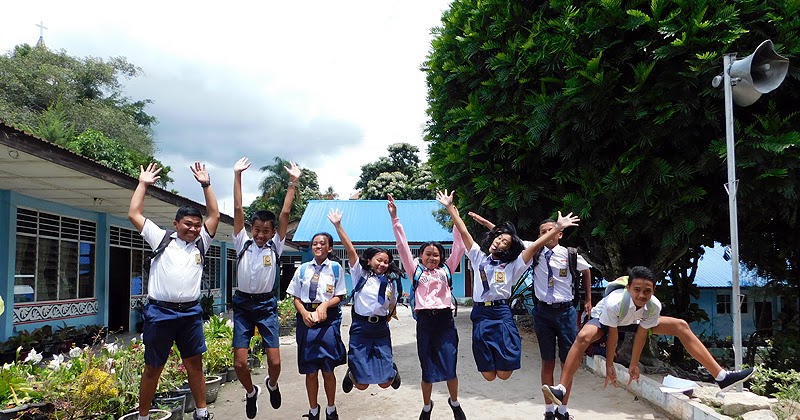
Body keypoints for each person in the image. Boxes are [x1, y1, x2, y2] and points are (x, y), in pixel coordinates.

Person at [541, 266, 756, 420]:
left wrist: (634, 364)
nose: (642, 295)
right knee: (582, 337)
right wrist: (609, 365)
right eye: (637, 290)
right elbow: (613, 335)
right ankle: (561, 387)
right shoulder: (615, 302)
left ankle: (721, 376)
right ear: (628, 289)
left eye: (648, 290)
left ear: (653, 290)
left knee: (680, 325)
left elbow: (641, 335)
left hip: (635, 321)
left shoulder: (653, 306)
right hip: (608, 322)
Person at [441, 192, 580, 382]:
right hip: (481, 314)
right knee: (489, 376)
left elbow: (533, 247)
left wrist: (557, 228)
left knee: (505, 374)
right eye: (498, 239)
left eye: (504, 242)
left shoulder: (514, 265)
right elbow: (464, 232)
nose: (499, 242)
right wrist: (450, 207)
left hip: (501, 312)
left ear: (509, 249)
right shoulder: (477, 257)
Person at [469, 213, 592, 420]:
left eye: (551, 231)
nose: (547, 235)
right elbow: (507, 240)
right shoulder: (534, 251)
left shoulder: (569, 254)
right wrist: (488, 226)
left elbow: (586, 269)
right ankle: (548, 411)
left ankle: (563, 410)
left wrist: (588, 299)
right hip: (543, 311)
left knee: (567, 360)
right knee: (547, 362)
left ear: (560, 234)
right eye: (542, 232)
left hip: (565, 311)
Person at [128, 162, 220, 420]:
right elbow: (134, 213)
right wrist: (143, 184)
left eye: (196, 225)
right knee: (152, 368)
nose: (193, 229)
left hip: (190, 314)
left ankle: (202, 412)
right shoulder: (161, 239)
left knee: (195, 365)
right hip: (160, 313)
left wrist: (206, 184)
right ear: (176, 223)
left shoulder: (201, 243)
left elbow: (214, 215)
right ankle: (143, 416)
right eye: (188, 224)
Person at [232, 157, 300, 418]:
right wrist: (237, 175)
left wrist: (292, 183)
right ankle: (251, 392)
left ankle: (271, 384)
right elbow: (238, 208)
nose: (260, 235)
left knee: (275, 361)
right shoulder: (242, 244)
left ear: (273, 233)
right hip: (242, 305)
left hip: (266, 306)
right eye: (257, 230)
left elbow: (284, 214)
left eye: (265, 231)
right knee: (239, 363)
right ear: (251, 229)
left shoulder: (276, 246)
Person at [389, 192, 467, 420]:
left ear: (442, 258)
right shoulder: (415, 270)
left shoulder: (447, 269)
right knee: (427, 368)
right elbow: (401, 245)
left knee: (450, 365)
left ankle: (454, 402)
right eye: (428, 254)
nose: (432, 258)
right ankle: (426, 406)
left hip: (445, 321)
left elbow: (459, 245)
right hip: (425, 322)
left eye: (436, 255)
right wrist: (395, 218)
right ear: (421, 255)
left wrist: (454, 215)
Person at [328, 208, 403, 393]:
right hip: (360, 328)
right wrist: (338, 225)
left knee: (385, 383)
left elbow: (392, 304)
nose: (382, 264)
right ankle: (352, 373)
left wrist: (388, 316)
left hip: (380, 330)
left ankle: (391, 369)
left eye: (386, 262)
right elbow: (350, 249)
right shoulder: (360, 274)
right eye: (379, 260)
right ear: (369, 260)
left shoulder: (391, 282)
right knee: (361, 386)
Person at [285, 232, 348, 420]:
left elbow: (340, 295)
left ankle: (331, 408)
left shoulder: (335, 269)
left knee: (328, 369)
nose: (318, 246)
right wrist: (304, 313)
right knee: (310, 370)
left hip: (328, 321)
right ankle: (313, 410)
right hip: (306, 321)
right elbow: (295, 296)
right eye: (314, 244)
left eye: (322, 243)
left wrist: (325, 305)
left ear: (329, 248)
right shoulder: (303, 269)